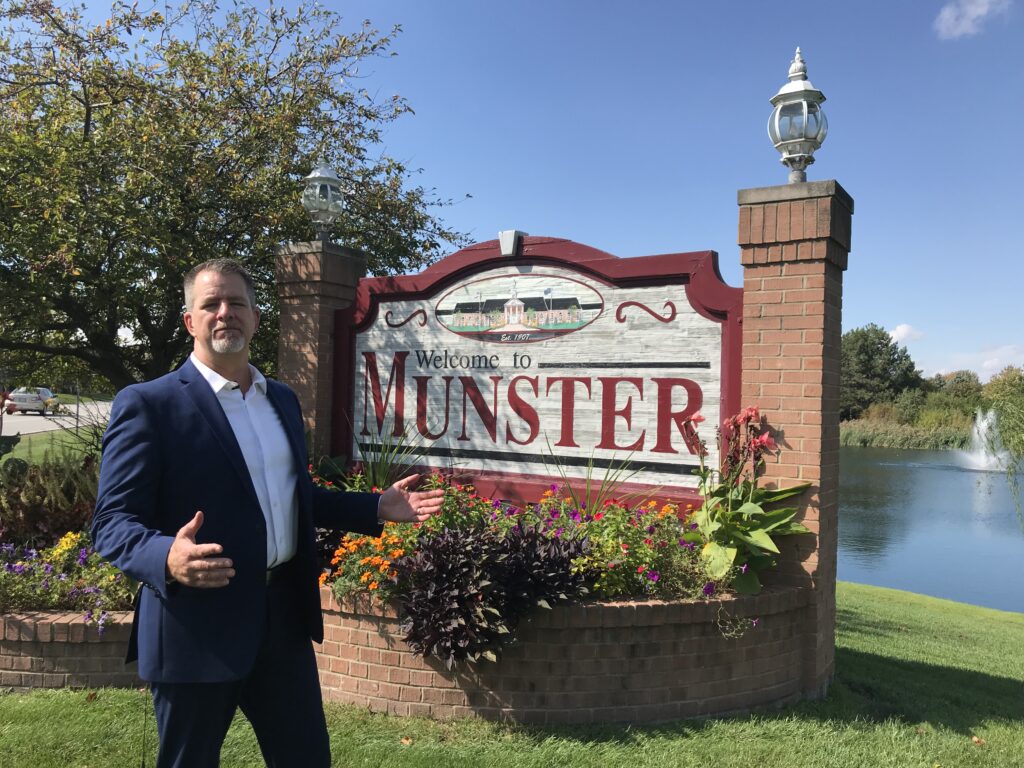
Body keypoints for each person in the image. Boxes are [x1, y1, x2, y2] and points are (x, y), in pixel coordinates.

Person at [91, 258, 444, 767]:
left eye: (236, 302)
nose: (225, 313)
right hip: (196, 626)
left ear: (256, 318)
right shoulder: (149, 405)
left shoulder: (279, 399)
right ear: (190, 321)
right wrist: (165, 555)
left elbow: (291, 496)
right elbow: (112, 522)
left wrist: (376, 506)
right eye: (211, 304)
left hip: (281, 621)